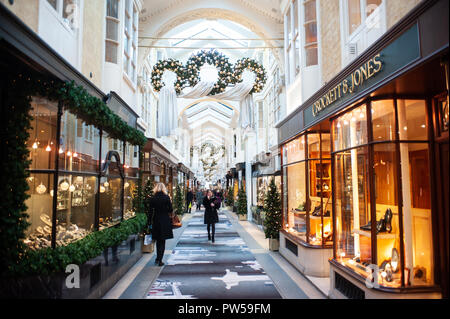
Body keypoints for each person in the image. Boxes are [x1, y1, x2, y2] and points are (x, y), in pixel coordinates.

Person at [148, 182, 174, 266]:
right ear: (163, 188)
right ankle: (160, 260)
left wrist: (149, 222)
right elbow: (170, 209)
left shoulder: (153, 198)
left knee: (158, 240)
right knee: (163, 241)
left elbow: (150, 211)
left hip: (156, 220)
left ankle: (157, 258)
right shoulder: (166, 197)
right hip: (165, 220)